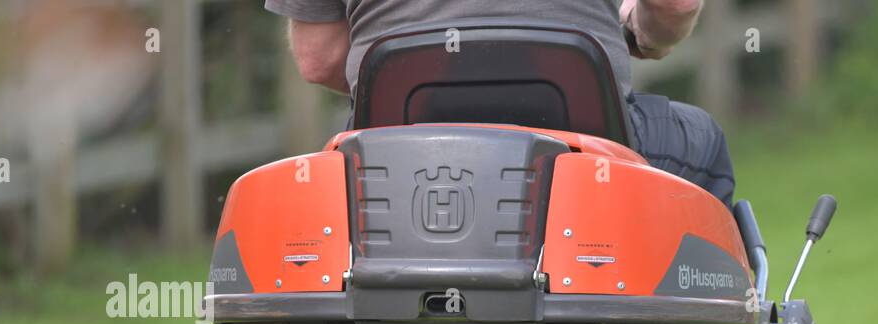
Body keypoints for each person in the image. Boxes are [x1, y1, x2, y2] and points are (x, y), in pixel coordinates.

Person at [264, 0, 735, 205]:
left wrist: (429, 83)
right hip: (588, 153)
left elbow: (319, 58)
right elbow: (674, 7)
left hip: (401, 155)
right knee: (702, 141)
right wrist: (643, 32)